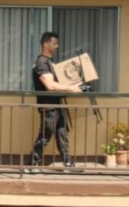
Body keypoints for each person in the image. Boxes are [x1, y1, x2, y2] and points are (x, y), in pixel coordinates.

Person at [26, 32, 83, 172]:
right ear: (46, 44)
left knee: (62, 134)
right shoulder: (42, 62)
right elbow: (50, 85)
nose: (57, 46)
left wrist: (77, 84)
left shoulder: (50, 62)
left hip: (57, 105)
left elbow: (58, 83)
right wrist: (71, 88)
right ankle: (31, 165)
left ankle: (68, 164)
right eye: (54, 43)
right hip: (49, 107)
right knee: (45, 135)